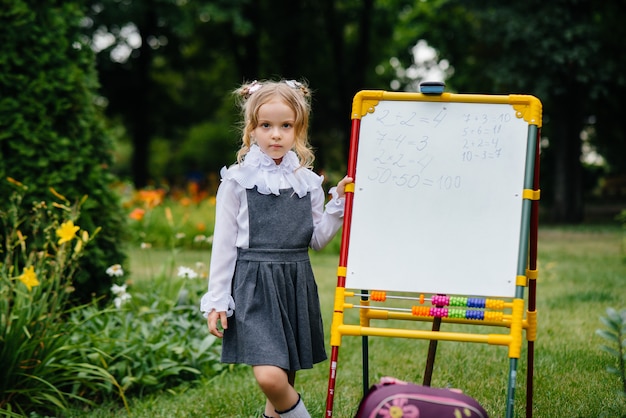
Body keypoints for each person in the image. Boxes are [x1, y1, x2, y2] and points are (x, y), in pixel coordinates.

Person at [200, 79, 353, 418]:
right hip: (254, 286)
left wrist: (338, 204)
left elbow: (316, 239)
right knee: (270, 378)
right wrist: (217, 300)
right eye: (266, 125)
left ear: (299, 129)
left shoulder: (308, 182)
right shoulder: (237, 181)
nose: (276, 134)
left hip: (295, 282)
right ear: (251, 129)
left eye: (286, 126)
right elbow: (223, 246)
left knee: (283, 381)